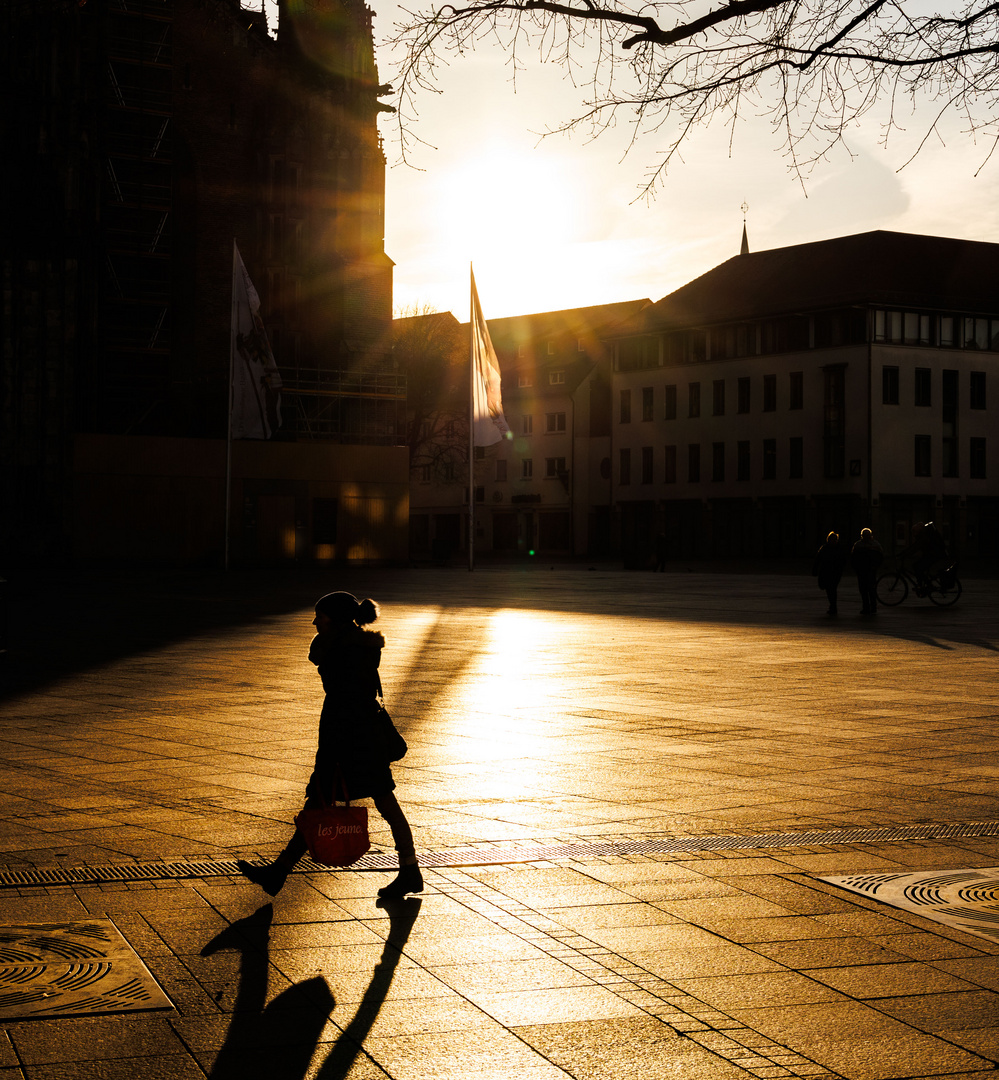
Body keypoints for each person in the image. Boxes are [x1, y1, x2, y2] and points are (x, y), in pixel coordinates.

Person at [237, 591, 422, 900]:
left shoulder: (342, 652)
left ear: (334, 620)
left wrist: (332, 754)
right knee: (381, 802)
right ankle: (409, 869)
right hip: (365, 738)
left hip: (348, 741)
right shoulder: (355, 646)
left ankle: (278, 872)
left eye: (320, 617)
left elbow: (344, 702)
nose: (314, 622)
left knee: (322, 802)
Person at [904, 522, 948, 594]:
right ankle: (921, 584)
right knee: (917, 566)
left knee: (918, 568)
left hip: (934, 555)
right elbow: (914, 547)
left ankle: (926, 585)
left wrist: (904, 555)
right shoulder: (923, 535)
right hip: (931, 555)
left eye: (914, 532)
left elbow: (915, 548)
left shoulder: (923, 537)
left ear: (918, 531)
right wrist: (904, 554)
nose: (913, 534)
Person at [812, 531, 848, 615]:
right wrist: (815, 569)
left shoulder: (838, 549)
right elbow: (818, 560)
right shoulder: (825, 548)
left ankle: (833, 606)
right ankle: (833, 605)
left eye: (834, 540)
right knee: (829, 589)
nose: (833, 541)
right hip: (826, 572)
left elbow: (843, 561)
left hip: (835, 573)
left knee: (832, 589)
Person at [851, 527, 884, 615]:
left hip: (867, 570)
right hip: (866, 570)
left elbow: (853, 558)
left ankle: (869, 607)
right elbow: (880, 556)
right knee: (867, 589)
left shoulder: (858, 545)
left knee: (867, 589)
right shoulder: (875, 544)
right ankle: (870, 607)